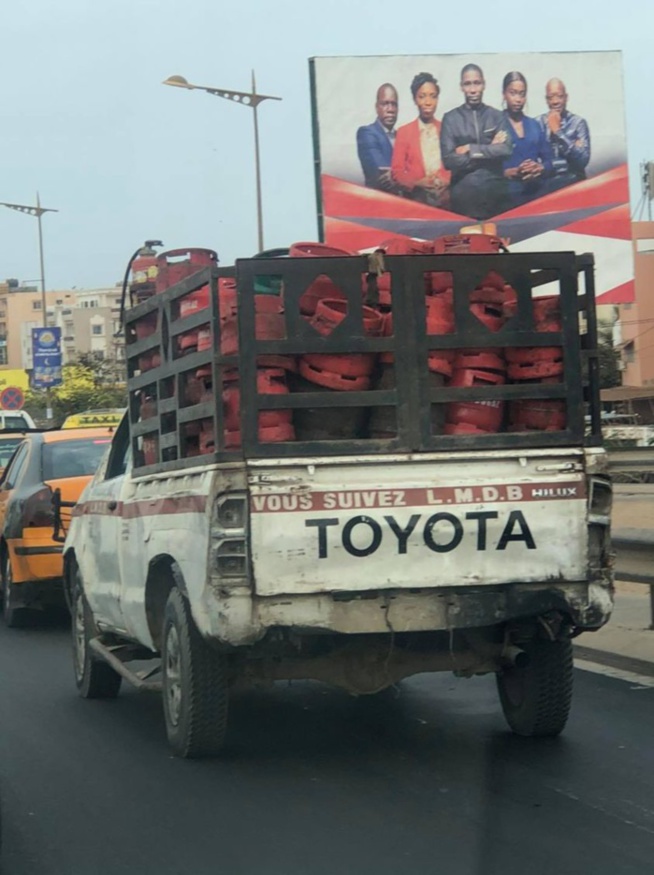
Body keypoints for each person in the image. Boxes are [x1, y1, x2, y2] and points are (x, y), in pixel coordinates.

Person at [441, 63, 512, 219]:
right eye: (468, 84)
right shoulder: (451, 119)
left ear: (483, 84)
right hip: (464, 197)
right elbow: (448, 160)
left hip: (496, 196)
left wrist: (470, 149)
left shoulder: (497, 116)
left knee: (498, 243)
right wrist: (489, 150)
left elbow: (506, 150)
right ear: (461, 87)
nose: (473, 90)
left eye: (477, 83)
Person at [390, 72, 450, 207]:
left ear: (437, 99)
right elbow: (397, 172)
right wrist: (417, 182)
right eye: (422, 97)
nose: (428, 102)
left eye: (433, 96)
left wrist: (446, 180)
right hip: (417, 203)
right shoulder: (404, 132)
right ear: (415, 99)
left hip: (446, 204)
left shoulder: (447, 129)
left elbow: (456, 166)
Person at [501, 71, 553, 208]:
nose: (518, 99)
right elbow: (486, 169)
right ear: (504, 94)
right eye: (513, 93)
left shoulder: (534, 125)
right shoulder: (495, 125)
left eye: (522, 94)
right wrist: (511, 172)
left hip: (537, 195)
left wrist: (540, 168)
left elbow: (550, 160)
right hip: (506, 199)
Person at [537, 78, 590, 187]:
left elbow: (582, 161)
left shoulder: (578, 123)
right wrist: (572, 151)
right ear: (546, 100)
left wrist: (558, 132)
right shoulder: (538, 123)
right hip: (546, 188)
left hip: (574, 185)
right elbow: (535, 163)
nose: (555, 102)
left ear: (566, 98)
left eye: (560, 96)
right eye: (551, 97)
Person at [356, 83, 400, 192]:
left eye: (394, 104)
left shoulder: (403, 136)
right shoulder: (366, 133)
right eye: (385, 104)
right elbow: (383, 175)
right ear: (377, 107)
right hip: (379, 203)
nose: (390, 109)